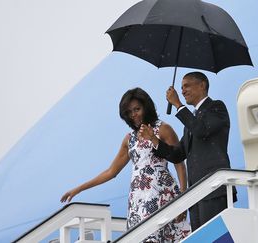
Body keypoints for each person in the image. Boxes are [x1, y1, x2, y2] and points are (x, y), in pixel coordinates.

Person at [60, 87, 190, 242]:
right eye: (129, 112)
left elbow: (179, 164)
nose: (134, 115)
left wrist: (183, 198)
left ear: (146, 107)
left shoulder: (163, 129)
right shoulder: (129, 139)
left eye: (137, 109)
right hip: (138, 199)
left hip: (163, 194)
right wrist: (79, 189)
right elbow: (111, 172)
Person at [139, 71, 237, 231]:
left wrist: (178, 104)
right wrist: (154, 140)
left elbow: (202, 130)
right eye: (181, 87)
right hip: (196, 194)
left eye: (187, 86)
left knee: (217, 236)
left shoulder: (217, 107)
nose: (182, 91)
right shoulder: (191, 121)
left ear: (202, 85)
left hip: (214, 189)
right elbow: (178, 154)